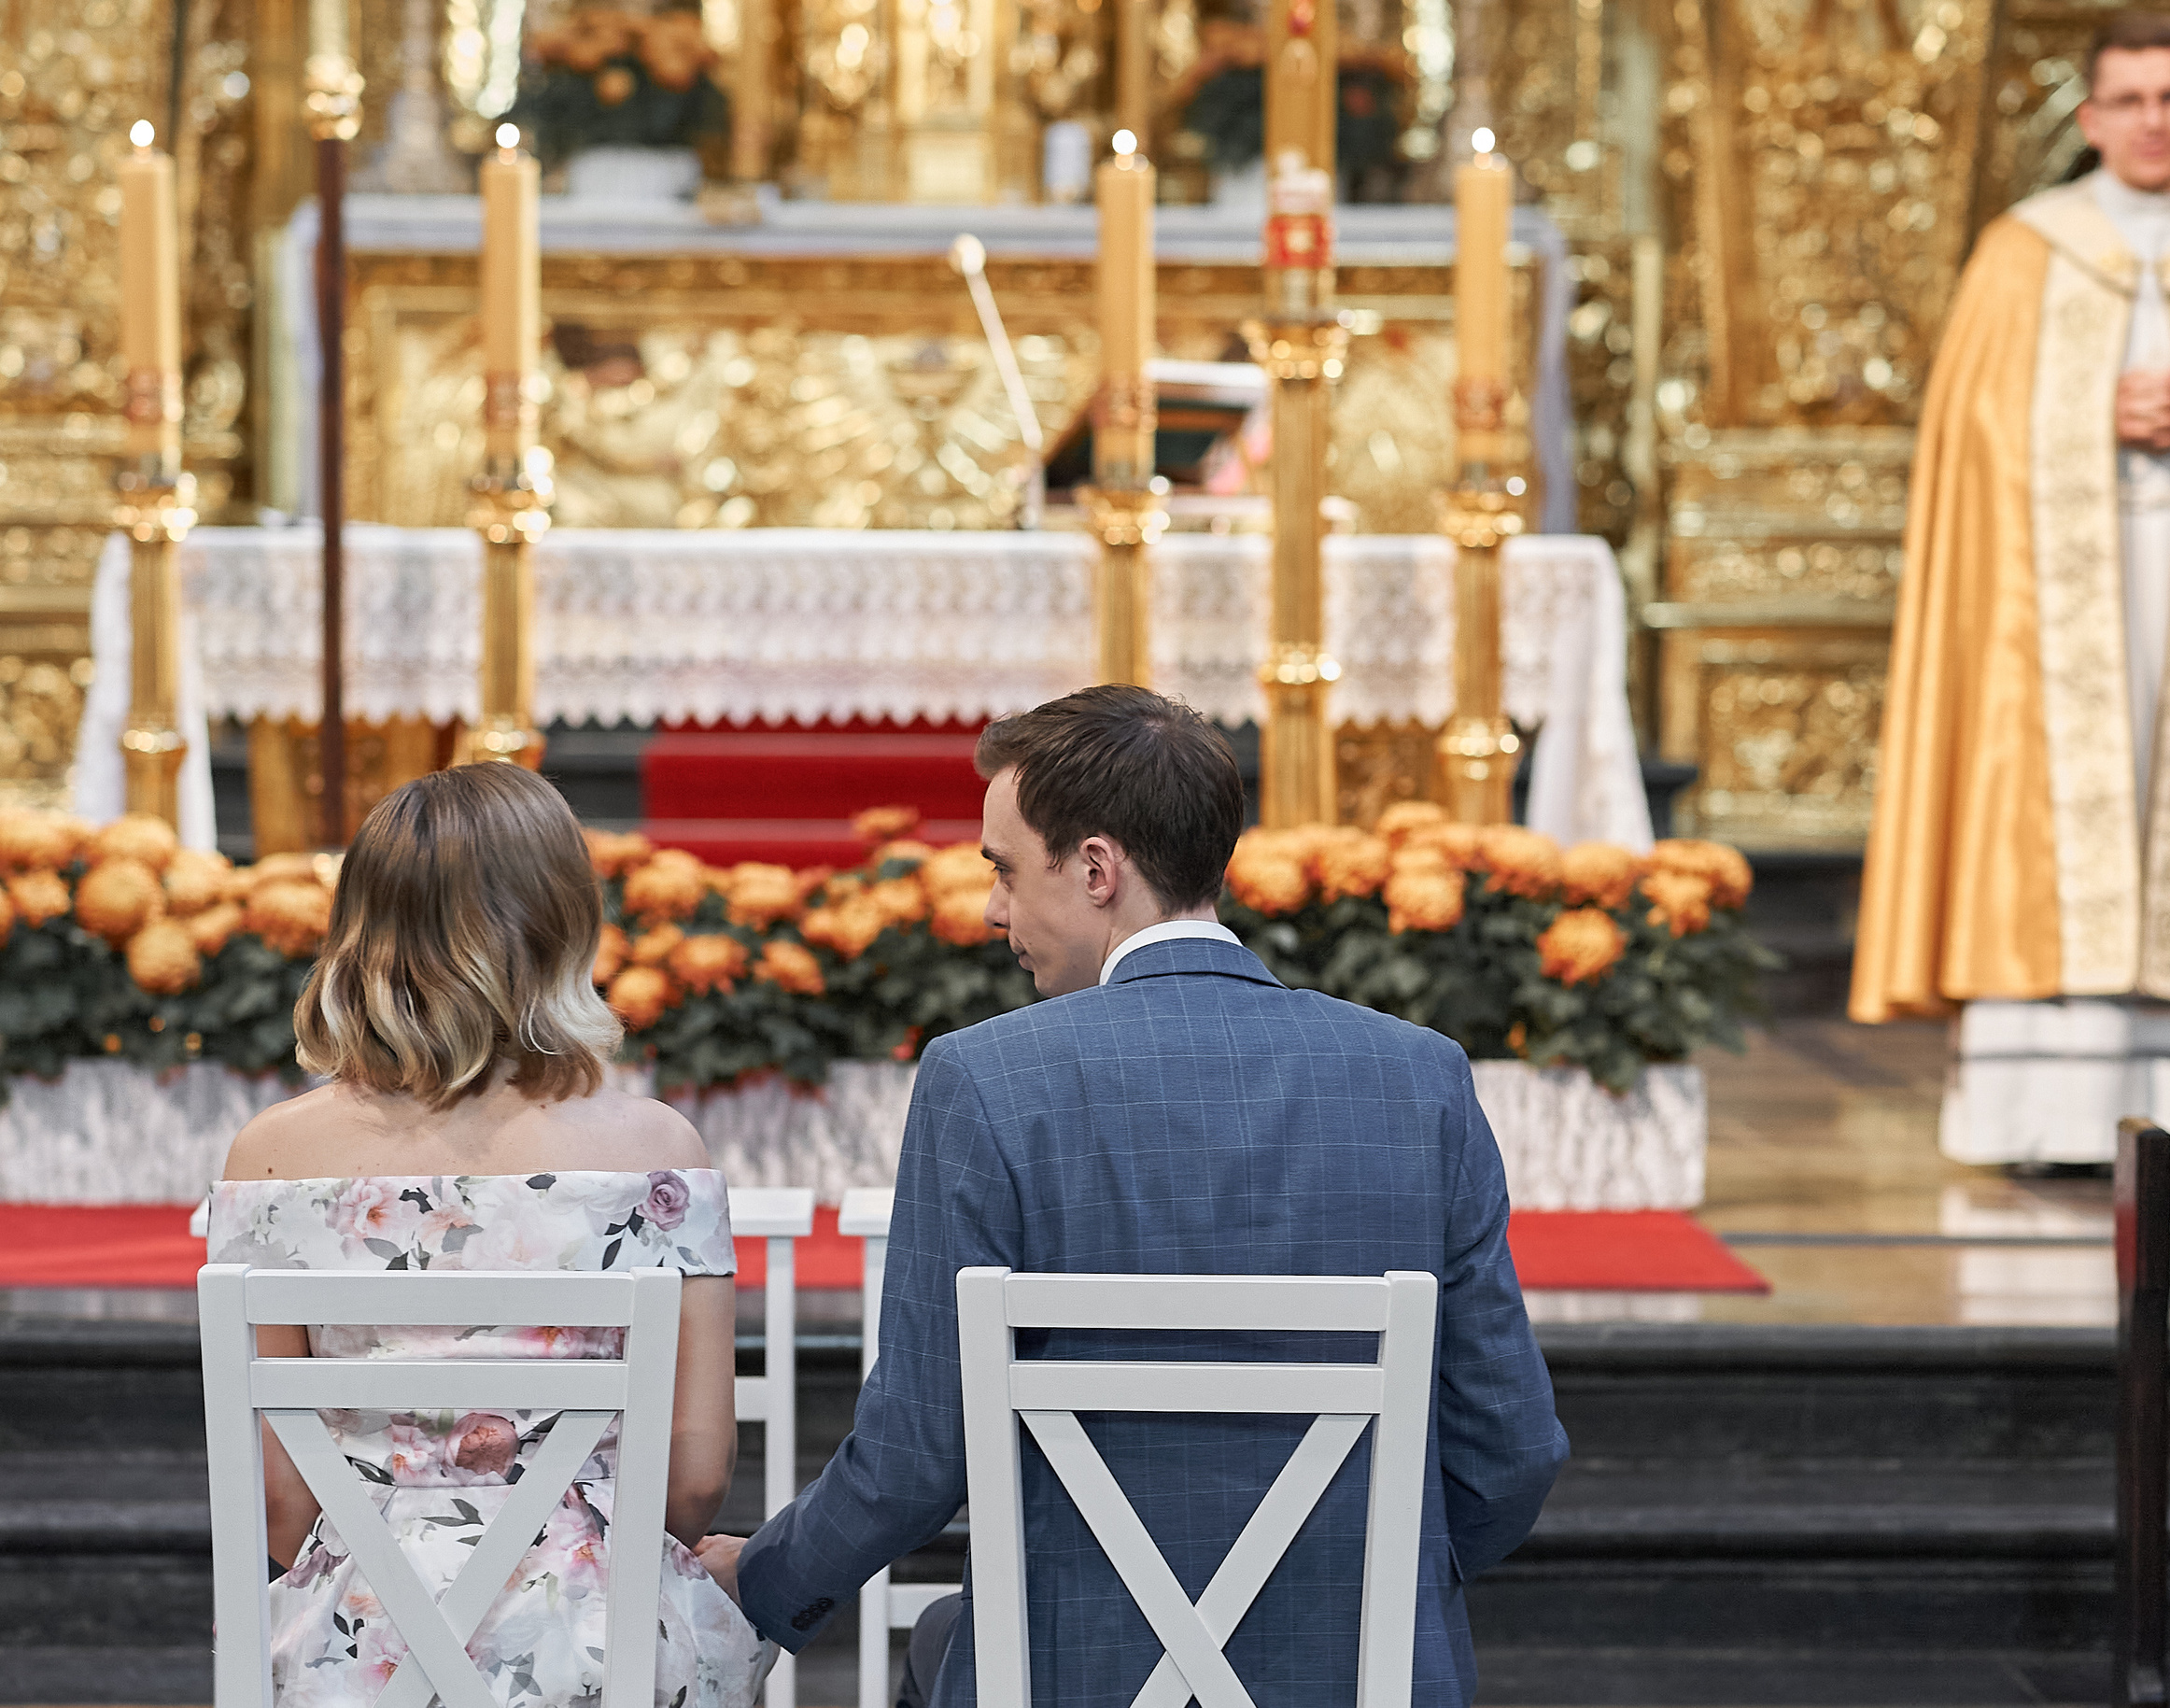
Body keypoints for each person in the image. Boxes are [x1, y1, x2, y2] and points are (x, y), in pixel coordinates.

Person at [699, 685, 1569, 1708]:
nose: (991, 908)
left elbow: (916, 1451)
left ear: (1098, 868)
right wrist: (1368, 1586)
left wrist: (760, 1583)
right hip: (1354, 1668)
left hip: (1074, 1670)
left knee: (947, 1642)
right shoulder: (1414, 1076)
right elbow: (1509, 1446)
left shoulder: (988, 1079)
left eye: (1005, 869)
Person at [1848, 10, 2170, 1163]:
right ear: (2090, 119)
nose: (2151, 122)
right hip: (2060, 605)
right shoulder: (2023, 250)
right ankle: (2047, 1112)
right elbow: (1974, 450)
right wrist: (2095, 416)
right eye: (2128, 101)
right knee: (2066, 800)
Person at [207, 763, 774, 1708]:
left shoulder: (267, 1157)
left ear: (360, 930)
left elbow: (279, 1501)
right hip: (599, 1640)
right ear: (562, 923)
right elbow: (691, 1479)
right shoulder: (656, 1150)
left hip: (354, 1655)